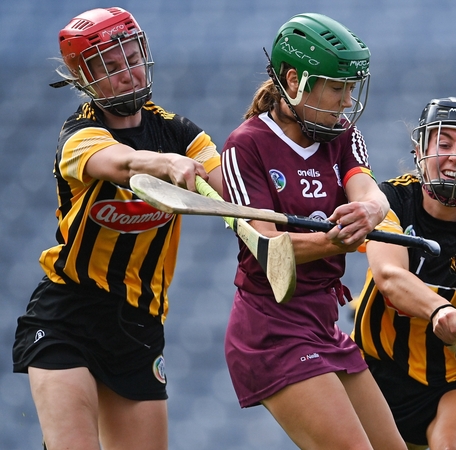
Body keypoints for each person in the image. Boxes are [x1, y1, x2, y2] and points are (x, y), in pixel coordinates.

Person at [12, 7, 223, 450]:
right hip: (68, 315)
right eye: (109, 66)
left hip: (139, 326)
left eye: (131, 56)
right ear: (82, 77)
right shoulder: (80, 134)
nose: (127, 73)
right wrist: (164, 163)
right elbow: (120, 162)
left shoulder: (180, 133)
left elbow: (227, 189)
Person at [219, 13, 405, 450]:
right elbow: (267, 247)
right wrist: (334, 240)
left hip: (322, 322)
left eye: (351, 88)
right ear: (294, 80)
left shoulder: (341, 134)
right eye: (336, 87)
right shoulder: (245, 145)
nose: (346, 101)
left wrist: (370, 212)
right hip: (272, 328)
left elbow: (369, 192)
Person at [351, 97, 456, 450]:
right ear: (420, 149)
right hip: (375, 372)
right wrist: (439, 310)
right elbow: (389, 276)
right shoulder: (388, 200)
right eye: (444, 143)